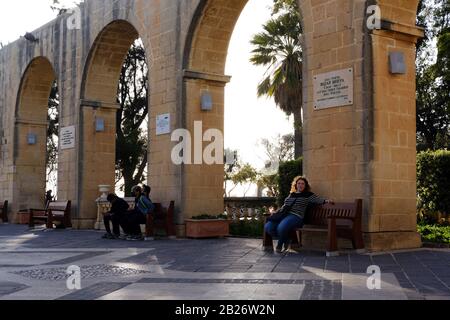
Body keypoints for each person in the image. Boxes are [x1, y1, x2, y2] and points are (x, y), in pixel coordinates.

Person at [264, 176, 334, 253]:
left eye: (302, 184)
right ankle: (287, 239)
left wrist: (327, 201)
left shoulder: (308, 195)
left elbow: (318, 200)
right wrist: (276, 212)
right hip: (283, 215)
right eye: (299, 183)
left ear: (305, 185)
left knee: (281, 227)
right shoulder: (291, 194)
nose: (300, 185)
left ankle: (280, 245)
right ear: (296, 185)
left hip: (296, 216)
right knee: (268, 227)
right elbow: (285, 206)